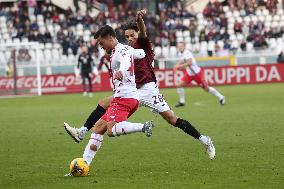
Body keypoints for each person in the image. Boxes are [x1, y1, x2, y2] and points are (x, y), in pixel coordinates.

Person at [64, 10, 215, 163]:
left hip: (148, 90)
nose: (130, 38)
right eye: (127, 36)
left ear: (137, 34)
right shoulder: (127, 50)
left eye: (132, 35)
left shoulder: (143, 44)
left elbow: (142, 31)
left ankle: (204, 139)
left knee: (171, 119)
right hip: (132, 91)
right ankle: (83, 136)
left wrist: (139, 20)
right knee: (101, 121)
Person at [65, 25, 154, 168]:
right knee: (98, 128)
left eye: (101, 43)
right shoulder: (125, 49)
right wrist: (141, 54)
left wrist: (122, 71)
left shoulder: (120, 51)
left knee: (111, 130)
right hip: (128, 97)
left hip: (124, 98)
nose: (100, 46)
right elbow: (141, 54)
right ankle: (83, 165)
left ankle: (143, 127)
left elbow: (125, 60)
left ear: (111, 38)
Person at [174, 42, 225, 107]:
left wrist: (178, 66)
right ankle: (182, 102)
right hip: (189, 74)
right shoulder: (180, 53)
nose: (180, 47)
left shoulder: (187, 53)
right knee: (179, 85)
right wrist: (177, 65)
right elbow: (182, 60)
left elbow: (189, 62)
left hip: (197, 74)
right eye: (179, 46)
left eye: (181, 46)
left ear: (184, 47)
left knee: (206, 89)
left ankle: (221, 97)